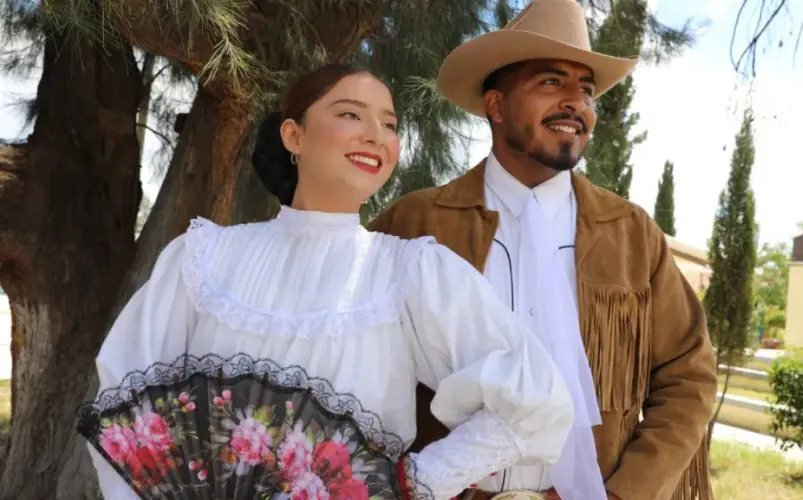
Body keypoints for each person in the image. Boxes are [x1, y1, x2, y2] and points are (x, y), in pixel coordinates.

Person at [87, 63, 576, 499]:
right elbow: (125, 410)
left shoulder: (412, 273)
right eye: (350, 114)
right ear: (294, 136)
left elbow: (534, 398)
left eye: (389, 124)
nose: (375, 134)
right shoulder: (202, 259)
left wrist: (417, 483)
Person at [368, 1, 718, 499]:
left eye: (587, 89)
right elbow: (351, 359)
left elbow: (689, 378)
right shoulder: (417, 222)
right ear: (496, 104)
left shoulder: (631, 235)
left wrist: (621, 493)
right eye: (551, 82)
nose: (576, 102)